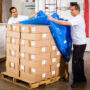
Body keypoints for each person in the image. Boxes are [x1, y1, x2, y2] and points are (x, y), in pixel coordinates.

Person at [48, 2, 87, 88]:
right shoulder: (78, 18)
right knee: (80, 61)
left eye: (72, 10)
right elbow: (66, 21)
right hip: (81, 43)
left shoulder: (78, 18)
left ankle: (76, 81)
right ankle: (82, 78)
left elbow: (65, 23)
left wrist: (53, 19)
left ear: (77, 10)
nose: (71, 12)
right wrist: (60, 18)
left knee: (75, 62)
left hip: (79, 44)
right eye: (70, 10)